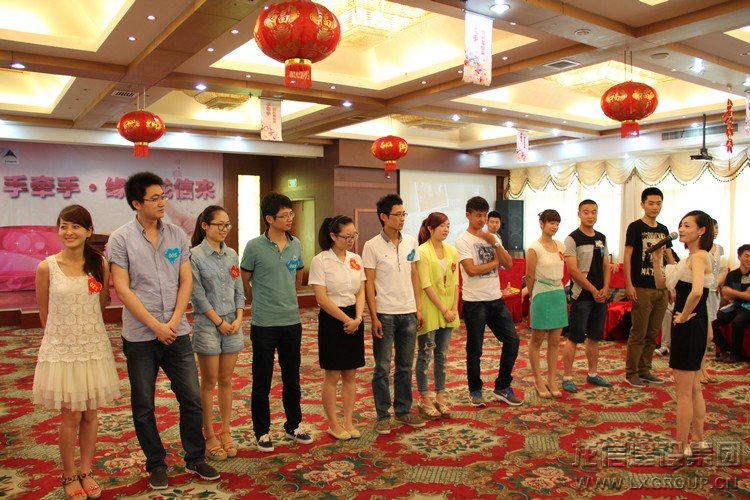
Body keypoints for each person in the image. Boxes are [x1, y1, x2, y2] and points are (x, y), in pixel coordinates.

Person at [108, 172, 219, 489]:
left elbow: (186, 281)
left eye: (163, 196)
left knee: (192, 398)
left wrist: (173, 321)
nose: (162, 203)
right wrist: (155, 325)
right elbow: (123, 289)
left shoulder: (177, 235)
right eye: (155, 198)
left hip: (177, 332)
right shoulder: (120, 239)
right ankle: (156, 463)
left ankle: (195, 457)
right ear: (136, 203)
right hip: (140, 337)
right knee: (144, 405)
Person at [33, 205, 121, 500]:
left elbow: (101, 305)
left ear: (88, 231)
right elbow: (44, 315)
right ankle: (69, 474)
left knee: (91, 414)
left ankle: (86, 470)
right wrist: (58, 344)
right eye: (64, 226)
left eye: (76, 226)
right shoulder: (46, 267)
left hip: (93, 347)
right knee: (71, 415)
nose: (69, 232)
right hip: (63, 350)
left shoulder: (100, 264)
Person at [240, 192, 313, 452]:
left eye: (291, 214)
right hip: (264, 322)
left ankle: (293, 425)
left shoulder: (296, 244)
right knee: (262, 379)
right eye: (284, 215)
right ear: (269, 218)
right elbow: (245, 280)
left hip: (291, 321)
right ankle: (262, 431)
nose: (290, 219)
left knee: (292, 377)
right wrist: (256, 300)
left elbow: (298, 278)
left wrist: (287, 298)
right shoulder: (254, 246)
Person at [362, 193, 426, 434]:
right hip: (385, 314)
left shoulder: (410, 241)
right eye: (397, 214)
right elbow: (369, 283)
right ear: (383, 217)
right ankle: (382, 414)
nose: (402, 218)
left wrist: (418, 308)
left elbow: (414, 275)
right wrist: (374, 317)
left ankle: (403, 410)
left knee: (404, 365)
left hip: (408, 312)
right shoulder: (371, 245)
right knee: (382, 367)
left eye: (403, 214)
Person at [190, 206, 245, 460]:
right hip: (208, 324)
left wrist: (239, 316)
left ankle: (225, 430)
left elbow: (239, 289)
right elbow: (197, 295)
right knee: (209, 381)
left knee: (226, 379)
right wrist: (219, 322)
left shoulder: (232, 254)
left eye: (227, 225)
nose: (224, 229)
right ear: (205, 226)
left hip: (232, 323)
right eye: (219, 224)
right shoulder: (195, 256)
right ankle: (209, 433)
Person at [456, 196, 522, 407]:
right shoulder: (463, 240)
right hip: (474, 302)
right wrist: (494, 262)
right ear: (468, 215)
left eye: (484, 215)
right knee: (475, 349)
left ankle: (503, 386)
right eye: (478, 215)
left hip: (495, 299)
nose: (482, 220)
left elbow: (508, 263)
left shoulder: (493, 238)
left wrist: (494, 242)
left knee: (512, 340)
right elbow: (471, 270)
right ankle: (475, 390)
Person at [308, 216, 366, 440]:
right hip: (333, 319)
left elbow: (360, 291)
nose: (351, 240)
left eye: (354, 236)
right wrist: (346, 320)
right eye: (346, 237)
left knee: (350, 374)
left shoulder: (355, 259)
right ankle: (333, 424)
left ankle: (349, 421)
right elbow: (321, 298)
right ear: (333, 236)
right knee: (332, 374)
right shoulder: (320, 260)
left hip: (354, 318)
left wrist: (358, 318)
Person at [664, 210, 714, 459]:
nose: (681, 230)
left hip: (689, 324)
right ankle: (699, 440)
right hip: (697, 322)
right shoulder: (693, 257)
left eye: (687, 226)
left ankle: (681, 446)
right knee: (694, 387)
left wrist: (683, 316)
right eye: (681, 225)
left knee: (684, 391)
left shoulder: (699, 256)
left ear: (701, 230)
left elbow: (696, 292)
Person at [623, 187, 674, 387]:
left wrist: (672, 285)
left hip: (661, 287)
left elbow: (669, 257)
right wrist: (629, 284)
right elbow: (627, 256)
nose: (655, 207)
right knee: (639, 332)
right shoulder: (635, 227)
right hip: (641, 287)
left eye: (658, 203)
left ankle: (645, 370)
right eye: (651, 203)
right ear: (642, 204)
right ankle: (631, 373)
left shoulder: (663, 229)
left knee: (653, 333)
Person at [561, 200, 612, 393]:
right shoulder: (572, 239)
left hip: (600, 296)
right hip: (582, 295)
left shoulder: (601, 238)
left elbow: (606, 265)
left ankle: (592, 373)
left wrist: (605, 288)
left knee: (594, 337)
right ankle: (567, 376)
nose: (590, 216)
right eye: (586, 212)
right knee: (574, 337)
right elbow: (573, 271)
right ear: (579, 214)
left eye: (594, 212)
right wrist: (592, 290)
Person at [415, 212, 459, 418]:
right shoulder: (422, 251)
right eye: (441, 226)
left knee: (442, 355)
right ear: (430, 229)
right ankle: (424, 397)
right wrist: (444, 310)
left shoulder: (452, 250)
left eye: (448, 225)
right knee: (425, 354)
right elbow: (426, 285)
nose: (446, 229)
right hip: (431, 310)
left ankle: (440, 396)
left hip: (449, 310)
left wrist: (454, 309)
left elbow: (456, 282)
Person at [526, 209, 568, 398]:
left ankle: (552, 379)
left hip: (558, 293)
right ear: (542, 224)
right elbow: (529, 276)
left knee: (555, 340)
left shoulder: (561, 246)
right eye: (551, 223)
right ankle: (538, 379)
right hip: (541, 294)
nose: (555, 226)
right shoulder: (534, 248)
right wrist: (532, 296)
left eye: (557, 223)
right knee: (537, 340)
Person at [712, 244, 750, 363]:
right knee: (713, 320)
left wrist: (733, 292)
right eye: (746, 256)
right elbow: (725, 295)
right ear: (739, 257)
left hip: (748, 308)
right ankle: (725, 350)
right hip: (735, 305)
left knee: (737, 322)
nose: (749, 259)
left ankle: (735, 354)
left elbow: (747, 297)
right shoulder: (732, 274)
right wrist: (743, 294)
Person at [700, 219, 727, 382]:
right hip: (702, 291)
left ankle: (702, 369)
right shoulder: (700, 247)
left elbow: (722, 270)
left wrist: (718, 282)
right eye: (712, 227)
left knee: (707, 337)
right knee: (706, 335)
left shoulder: (719, 248)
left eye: (717, 227)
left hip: (713, 293)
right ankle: (699, 369)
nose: (715, 230)